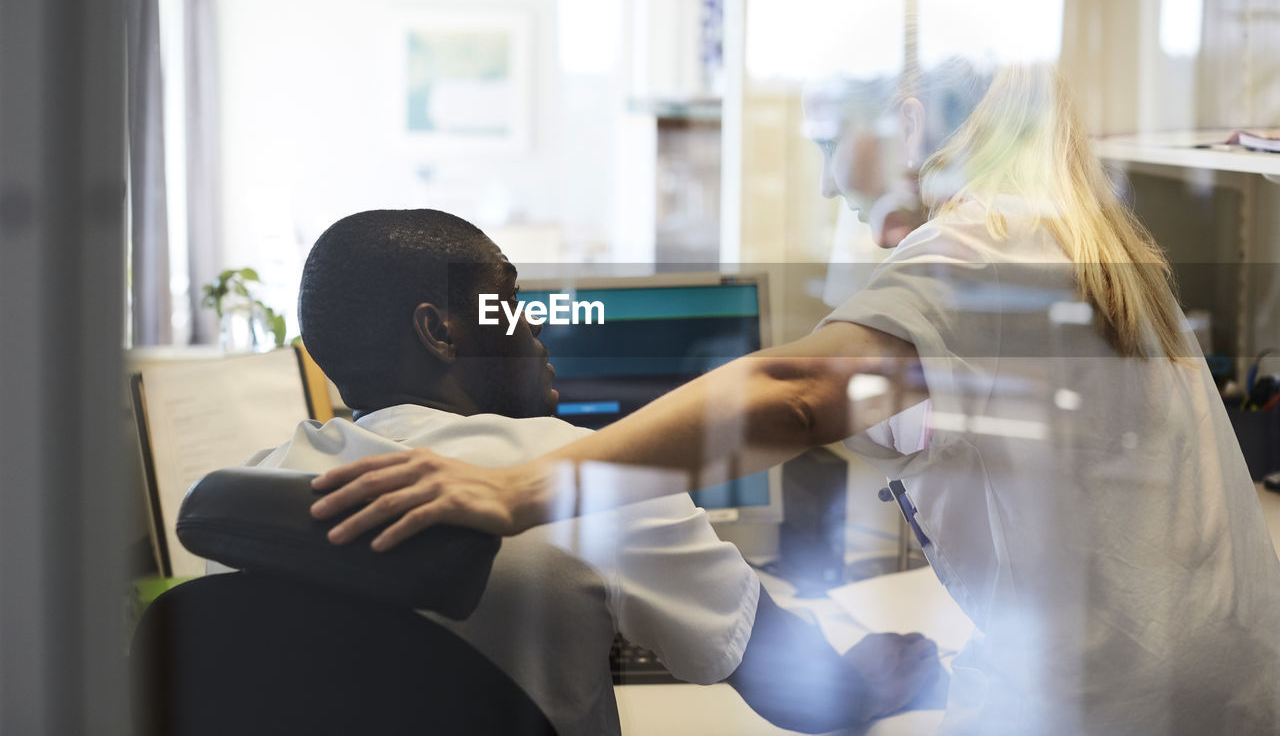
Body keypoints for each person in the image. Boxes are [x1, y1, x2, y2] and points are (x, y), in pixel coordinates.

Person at [310, 64, 1280, 735]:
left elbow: (802, 392)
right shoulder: (1066, 242)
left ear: (903, 125)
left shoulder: (991, 241)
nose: (822, 180)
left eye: (827, 142)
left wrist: (524, 486)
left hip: (1102, 703)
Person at [256, 208, 944, 736]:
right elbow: (793, 685)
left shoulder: (246, 499)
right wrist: (867, 683)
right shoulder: (581, 478)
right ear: (439, 331)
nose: (534, 327)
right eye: (509, 301)